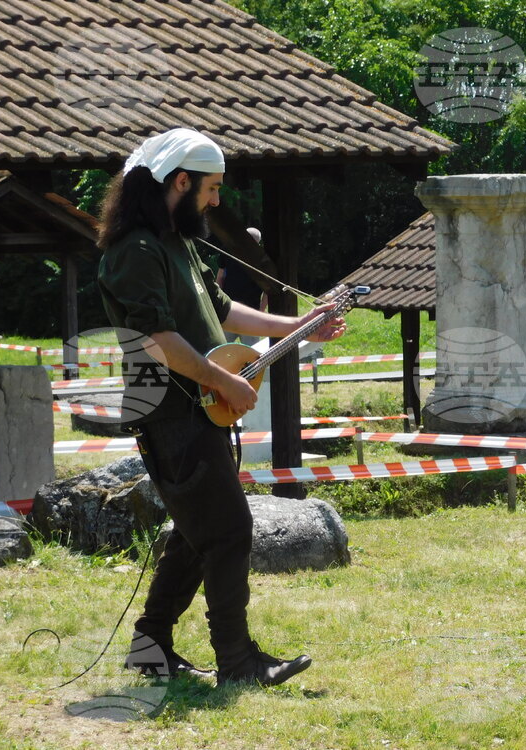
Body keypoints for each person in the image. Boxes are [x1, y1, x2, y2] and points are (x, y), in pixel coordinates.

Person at [97, 128, 345, 686]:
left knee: (196, 531)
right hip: (171, 415)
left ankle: (150, 645)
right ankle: (236, 660)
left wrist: (301, 326)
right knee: (229, 529)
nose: (215, 201)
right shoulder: (135, 249)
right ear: (180, 182)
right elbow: (159, 338)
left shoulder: (174, 241)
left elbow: (222, 309)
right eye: (210, 188)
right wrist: (223, 382)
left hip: (197, 410)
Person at [216, 227, 268, 346]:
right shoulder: (228, 251)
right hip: (228, 311)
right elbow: (220, 278)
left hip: (250, 314)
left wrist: (261, 311)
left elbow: (268, 290)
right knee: (221, 349)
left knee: (252, 354)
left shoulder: (262, 260)